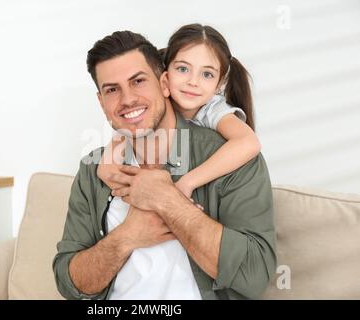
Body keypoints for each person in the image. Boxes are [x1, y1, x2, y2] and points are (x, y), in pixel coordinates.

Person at [53, 27, 276, 300]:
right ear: (101, 102)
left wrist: (166, 199)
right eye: (112, 90)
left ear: (164, 83)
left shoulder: (230, 158)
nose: (127, 100)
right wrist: (128, 236)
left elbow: (253, 276)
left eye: (138, 81)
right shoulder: (95, 168)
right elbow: (68, 282)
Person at [98, 24, 261, 198]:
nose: (193, 82)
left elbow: (249, 142)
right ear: (165, 72)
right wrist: (107, 163)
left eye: (207, 74)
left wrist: (187, 182)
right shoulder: (157, 100)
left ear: (219, 84)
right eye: (183, 69)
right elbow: (128, 128)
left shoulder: (214, 109)